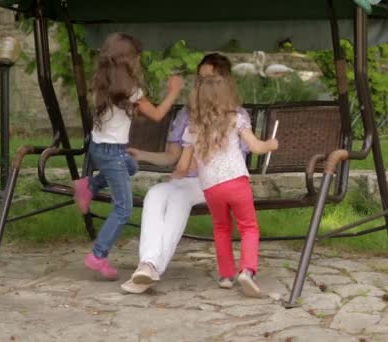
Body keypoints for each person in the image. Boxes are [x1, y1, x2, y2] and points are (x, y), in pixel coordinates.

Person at [121, 53, 248, 293]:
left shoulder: (235, 116)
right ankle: (147, 267)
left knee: (178, 199)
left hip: (213, 183)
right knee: (156, 193)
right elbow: (172, 157)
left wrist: (193, 166)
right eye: (199, 79)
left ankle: (150, 267)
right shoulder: (186, 114)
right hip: (182, 179)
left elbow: (234, 161)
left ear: (224, 81)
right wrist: (142, 154)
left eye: (209, 79)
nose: (202, 85)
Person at [73, 32, 184, 280]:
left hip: (99, 148)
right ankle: (98, 255)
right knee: (124, 208)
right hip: (112, 153)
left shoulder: (101, 84)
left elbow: (118, 115)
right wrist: (174, 92)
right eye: (136, 57)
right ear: (128, 60)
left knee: (131, 166)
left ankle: (88, 185)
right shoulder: (131, 90)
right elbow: (156, 115)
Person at [174, 74, 278, 297]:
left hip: (211, 188)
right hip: (236, 182)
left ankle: (225, 276)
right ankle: (247, 271)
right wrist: (271, 144)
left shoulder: (193, 128)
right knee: (248, 227)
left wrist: (175, 177)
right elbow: (257, 147)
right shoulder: (236, 119)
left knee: (221, 228)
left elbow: (183, 165)